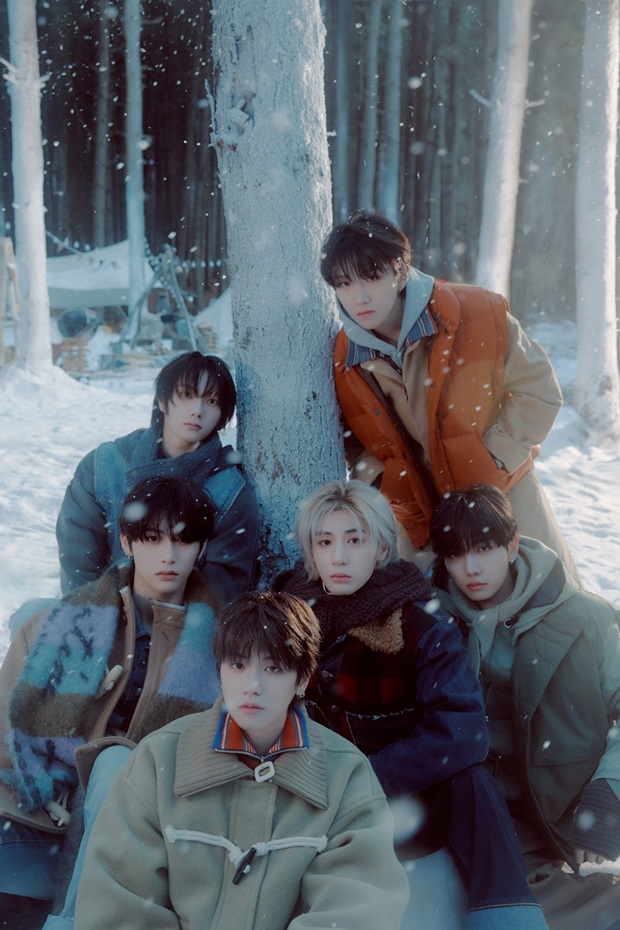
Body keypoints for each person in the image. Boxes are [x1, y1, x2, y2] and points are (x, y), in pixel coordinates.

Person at [277, 479, 548, 929]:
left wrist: (367, 778)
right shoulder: (286, 620)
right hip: (313, 796)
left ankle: (506, 919)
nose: (339, 557)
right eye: (325, 542)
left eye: (355, 540)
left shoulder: (421, 624)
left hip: (406, 799)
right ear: (311, 551)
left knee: (472, 781)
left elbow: (463, 731)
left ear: (381, 548)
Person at [73, 591, 410, 930]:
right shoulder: (158, 760)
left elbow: (357, 911)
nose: (252, 685)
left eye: (273, 667)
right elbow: (119, 903)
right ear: (219, 670)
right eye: (237, 665)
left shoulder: (346, 775)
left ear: (302, 679)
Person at [0, 476, 222, 926]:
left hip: (139, 831)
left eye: (183, 540)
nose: (168, 555)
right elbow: (5, 730)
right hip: (36, 811)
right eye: (152, 538)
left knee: (114, 764)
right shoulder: (58, 623)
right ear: (126, 541)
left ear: (201, 548)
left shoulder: (224, 646)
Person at [321, 211, 578, 578]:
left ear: (400, 271)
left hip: (503, 499)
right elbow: (353, 442)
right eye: (344, 283)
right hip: (417, 518)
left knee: (540, 600)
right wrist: (384, 482)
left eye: (372, 276)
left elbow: (539, 390)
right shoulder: (344, 357)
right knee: (436, 610)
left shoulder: (478, 312)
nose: (358, 296)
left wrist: (493, 459)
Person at [429, 483, 620, 930]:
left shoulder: (588, 617)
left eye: (484, 549)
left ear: (512, 545)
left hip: (561, 804)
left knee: (515, 906)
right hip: (475, 806)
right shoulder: (432, 618)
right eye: (456, 554)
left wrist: (609, 791)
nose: (471, 568)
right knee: (462, 900)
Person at [56, 351, 259, 602]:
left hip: (181, 621)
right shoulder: (104, 465)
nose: (197, 411)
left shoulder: (229, 492)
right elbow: (77, 557)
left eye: (212, 401)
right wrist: (96, 614)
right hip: (102, 613)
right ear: (162, 401)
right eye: (186, 395)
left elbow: (221, 594)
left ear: (222, 415)